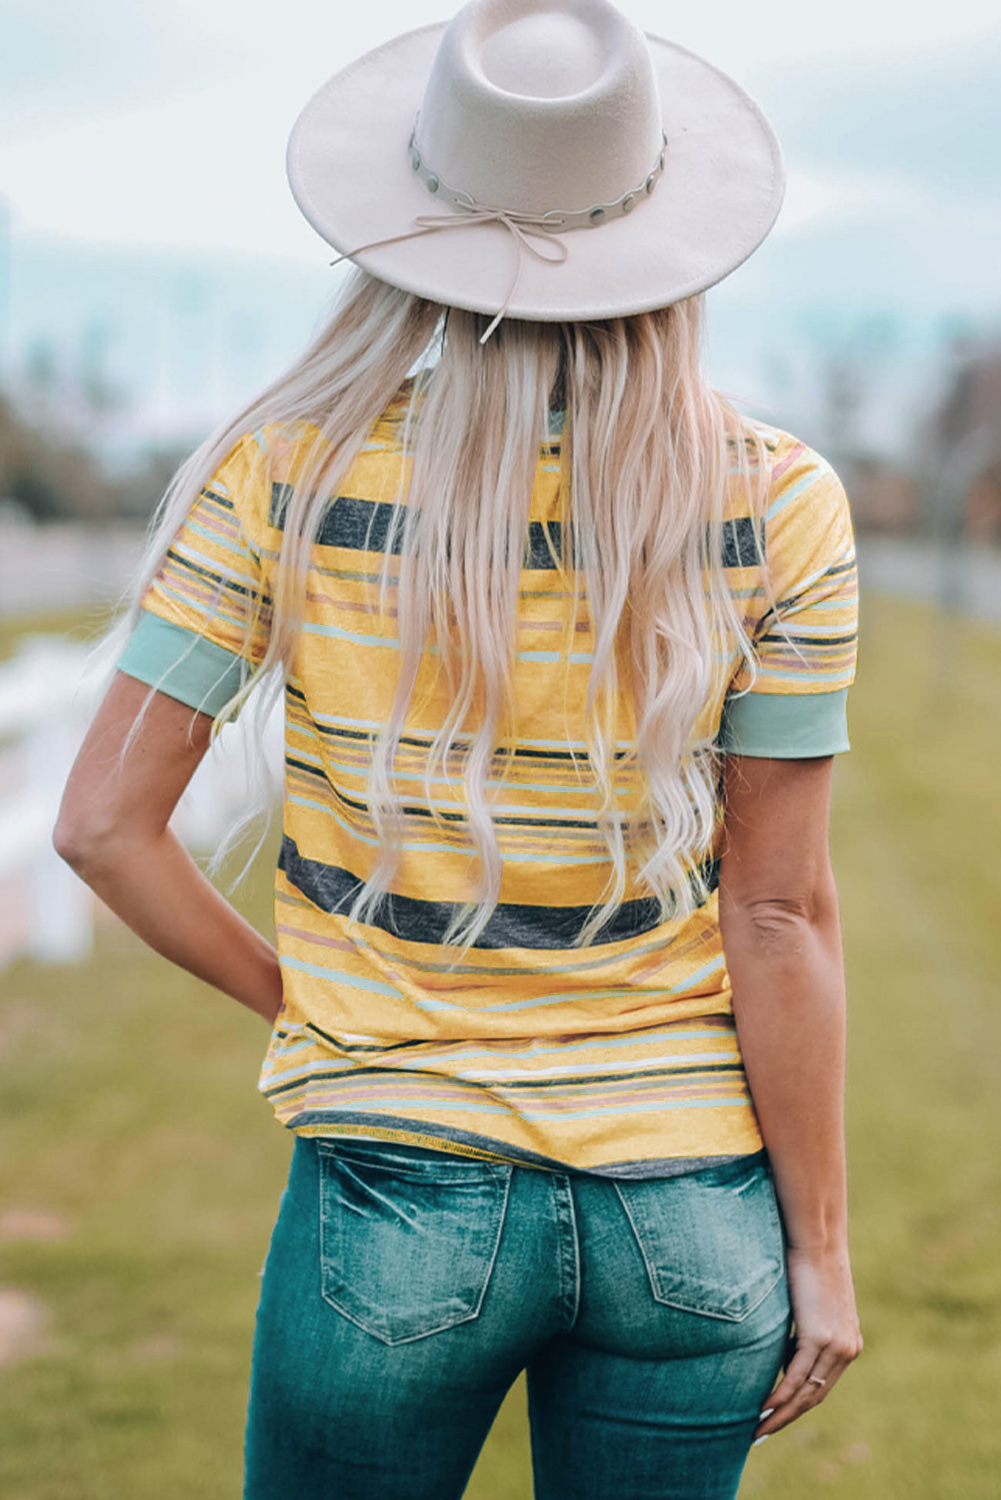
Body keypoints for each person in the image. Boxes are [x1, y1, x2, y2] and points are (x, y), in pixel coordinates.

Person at [54, 1, 863, 1496]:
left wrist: (310, 1006)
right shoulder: (778, 500)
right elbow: (775, 911)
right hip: (691, 1213)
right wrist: (816, 1246)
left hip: (392, 1200)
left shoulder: (283, 470)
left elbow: (102, 826)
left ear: (411, 228)